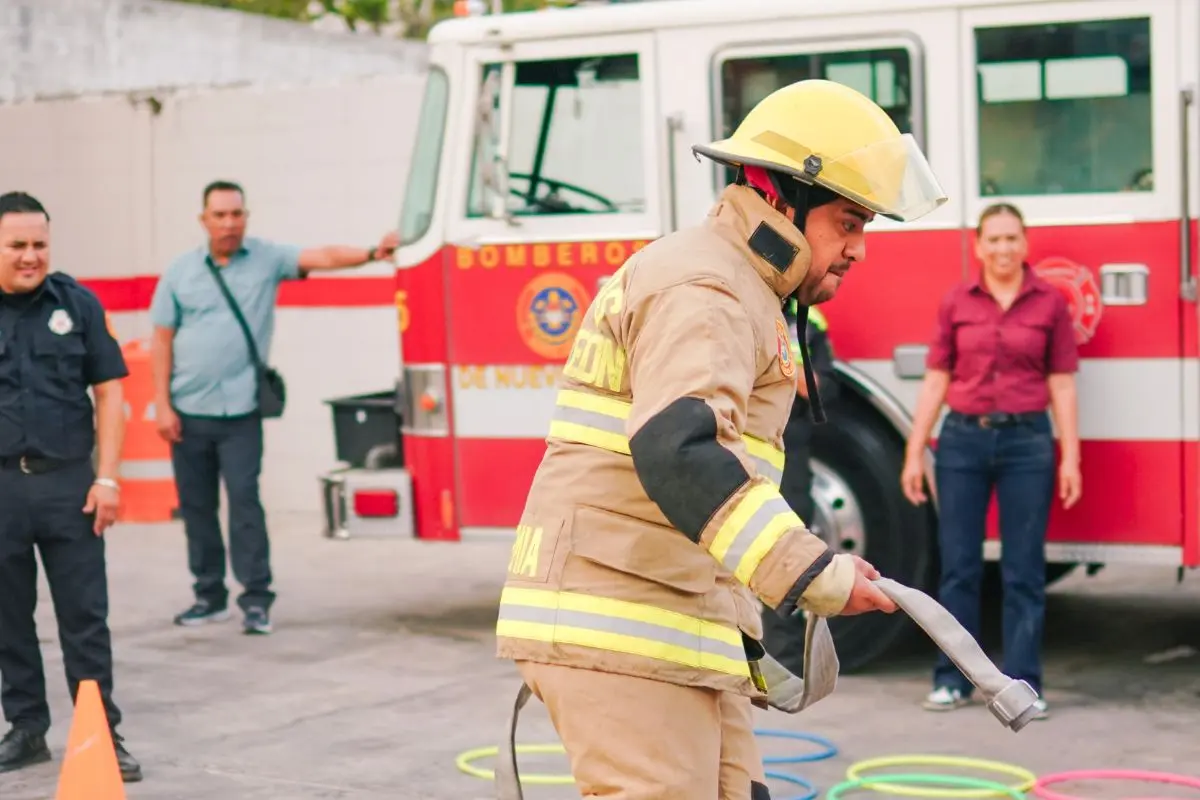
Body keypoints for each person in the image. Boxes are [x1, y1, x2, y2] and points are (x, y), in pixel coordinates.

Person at [495, 79, 946, 799]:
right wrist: (812, 571)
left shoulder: (742, 286)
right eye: (847, 222)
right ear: (780, 197)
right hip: (623, 629)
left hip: (676, 625)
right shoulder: (706, 286)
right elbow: (681, 448)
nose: (859, 249)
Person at [149, 180, 399, 635]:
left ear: (247, 217)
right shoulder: (180, 273)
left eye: (236, 214)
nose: (229, 223)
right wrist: (162, 406)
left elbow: (323, 256)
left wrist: (371, 253)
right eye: (220, 215)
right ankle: (208, 596)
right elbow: (162, 341)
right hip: (189, 413)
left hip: (242, 413)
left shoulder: (266, 259)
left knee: (245, 502)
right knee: (198, 508)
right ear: (203, 220)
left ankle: (256, 600)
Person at [900, 202, 1082, 720]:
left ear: (1025, 244)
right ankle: (952, 680)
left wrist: (1071, 457)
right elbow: (937, 379)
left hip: (1028, 444)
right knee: (959, 567)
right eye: (994, 239)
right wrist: (915, 451)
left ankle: (1024, 683)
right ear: (978, 247)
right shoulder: (957, 301)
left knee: (1023, 570)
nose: (1003, 248)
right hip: (962, 442)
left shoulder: (1049, 303)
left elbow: (1062, 384)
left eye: (1011, 238)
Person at [0, 191, 141, 781]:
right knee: (8, 617)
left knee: (85, 618)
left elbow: (109, 391)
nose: (30, 256)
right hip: (2, 488)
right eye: (17, 245)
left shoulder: (78, 304)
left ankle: (100, 733)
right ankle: (27, 728)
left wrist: (107, 477)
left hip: (69, 487)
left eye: (39, 244)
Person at [759, 299, 839, 674]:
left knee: (785, 547)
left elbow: (827, 388)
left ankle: (784, 661)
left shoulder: (808, 320)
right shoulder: (739, 305)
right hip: (743, 439)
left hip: (790, 446)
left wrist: (787, 368)